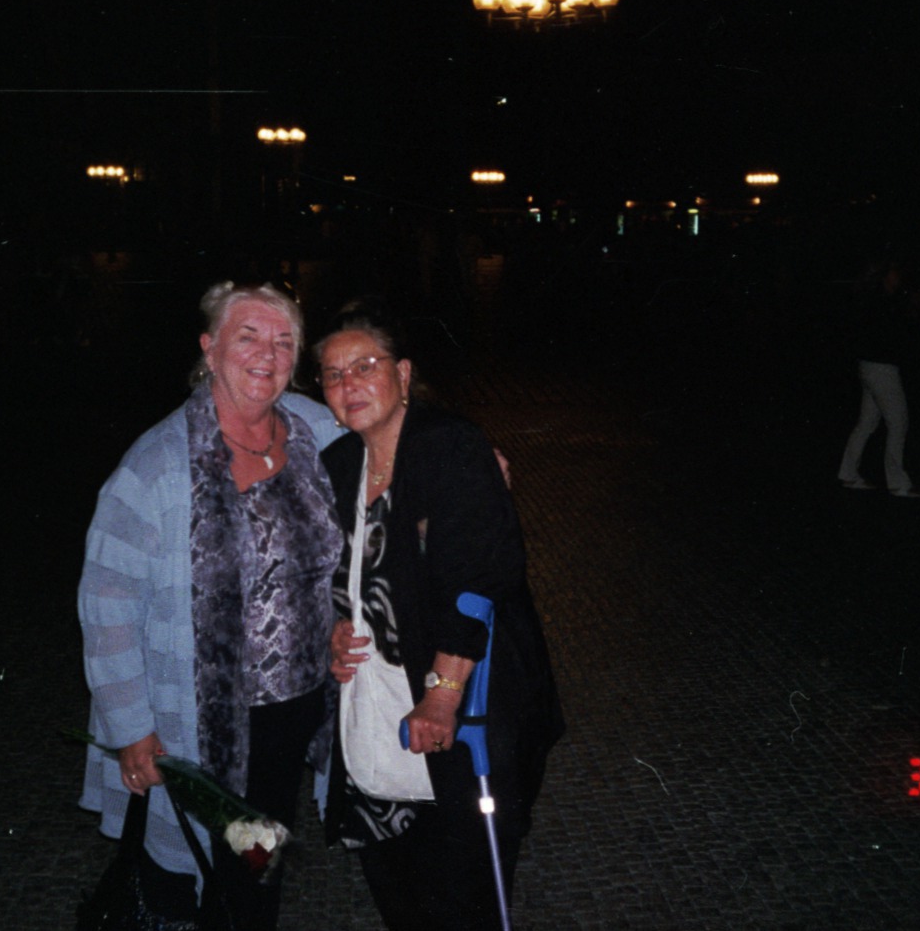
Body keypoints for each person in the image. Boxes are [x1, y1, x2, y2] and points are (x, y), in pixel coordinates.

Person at [77, 281, 345, 930]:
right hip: (204, 722)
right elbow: (106, 600)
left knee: (258, 865)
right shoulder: (160, 464)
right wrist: (132, 727)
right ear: (210, 347)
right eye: (248, 335)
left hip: (293, 712)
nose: (267, 353)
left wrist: (470, 459)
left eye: (284, 340)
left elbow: (393, 455)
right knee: (198, 874)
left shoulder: (314, 429)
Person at [316, 300, 563, 931]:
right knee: (395, 881)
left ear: (402, 374)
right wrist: (334, 626)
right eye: (333, 375)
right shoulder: (340, 464)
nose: (349, 385)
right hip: (375, 708)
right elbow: (336, 573)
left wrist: (441, 695)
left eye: (364, 367)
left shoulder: (448, 445)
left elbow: (480, 578)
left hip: (464, 707)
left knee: (463, 889)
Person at [836, 259, 920, 498]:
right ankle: (898, 482)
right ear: (887, 275)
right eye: (896, 272)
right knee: (898, 422)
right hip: (881, 368)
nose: (900, 277)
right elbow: (896, 335)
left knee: (867, 422)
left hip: (869, 366)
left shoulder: (877, 299)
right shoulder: (884, 302)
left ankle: (848, 472)